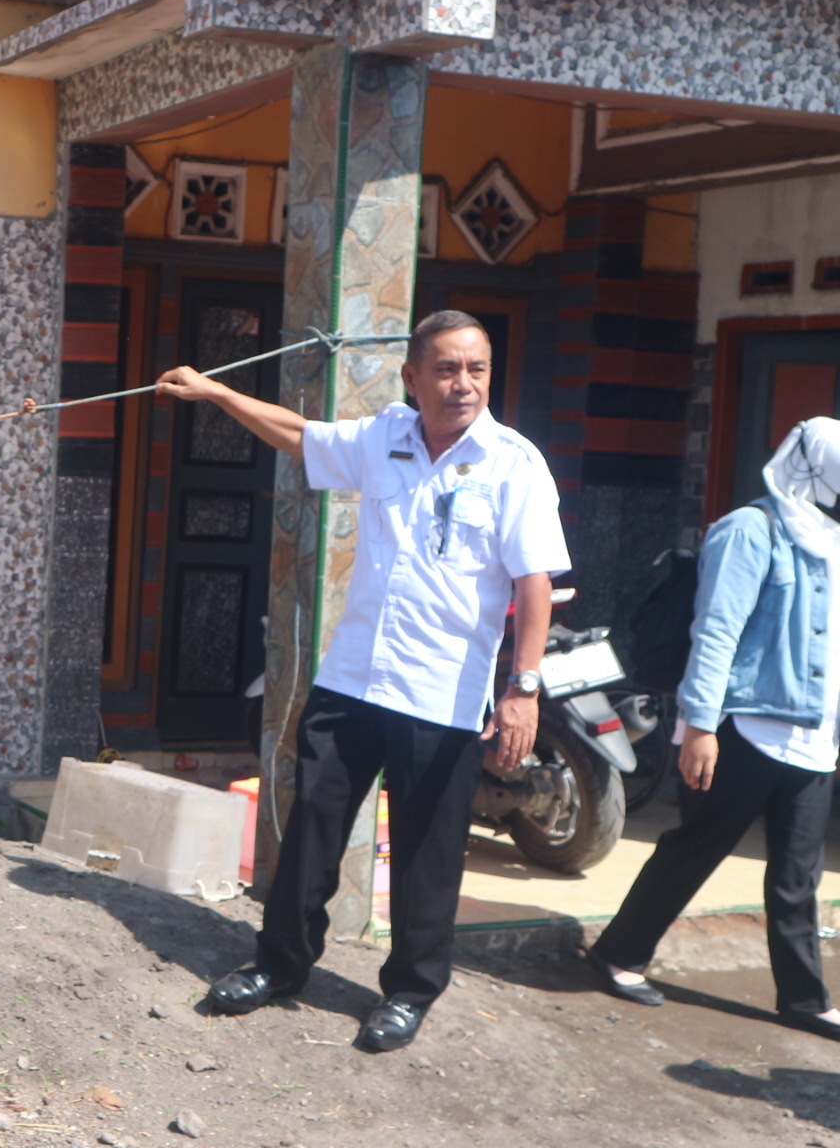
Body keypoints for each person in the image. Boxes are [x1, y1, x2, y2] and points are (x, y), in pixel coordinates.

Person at [155, 310, 569, 1051]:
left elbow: (533, 584)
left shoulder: (514, 463)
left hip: (442, 694)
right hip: (352, 680)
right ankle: (279, 966)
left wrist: (522, 688)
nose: (462, 384)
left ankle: (409, 992)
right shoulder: (384, 439)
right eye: (445, 369)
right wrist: (217, 396)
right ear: (412, 378)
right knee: (311, 831)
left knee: (425, 856)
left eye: (476, 369)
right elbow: (297, 434)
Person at [585, 419, 840, 1039]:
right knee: (695, 850)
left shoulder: (831, 538)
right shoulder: (750, 531)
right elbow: (717, 632)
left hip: (814, 735)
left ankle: (803, 999)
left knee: (797, 874)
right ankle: (618, 953)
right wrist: (699, 727)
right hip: (744, 729)